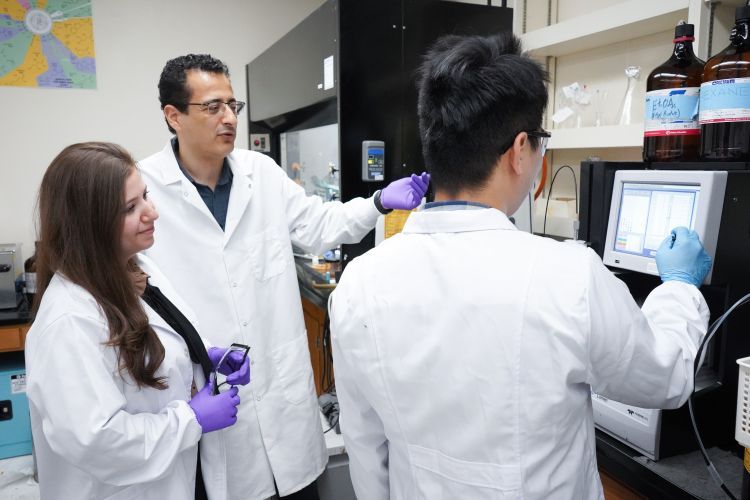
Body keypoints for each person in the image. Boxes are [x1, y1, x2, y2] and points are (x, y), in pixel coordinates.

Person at [328, 32, 712, 500]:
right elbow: (665, 378)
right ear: (520, 149)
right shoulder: (569, 276)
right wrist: (679, 287)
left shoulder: (359, 283)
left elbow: (366, 449)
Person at [138, 54, 430, 499]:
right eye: (212, 107)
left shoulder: (261, 173)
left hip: (281, 393)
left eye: (232, 106)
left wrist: (377, 203)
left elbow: (319, 225)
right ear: (172, 116)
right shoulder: (145, 189)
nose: (228, 118)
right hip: (208, 399)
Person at [25, 142, 251, 500]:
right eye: (131, 208)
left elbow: (153, 341)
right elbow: (96, 441)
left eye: (145, 195)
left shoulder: (135, 268)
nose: (152, 213)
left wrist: (204, 354)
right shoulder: (68, 322)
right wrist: (191, 420)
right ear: (90, 225)